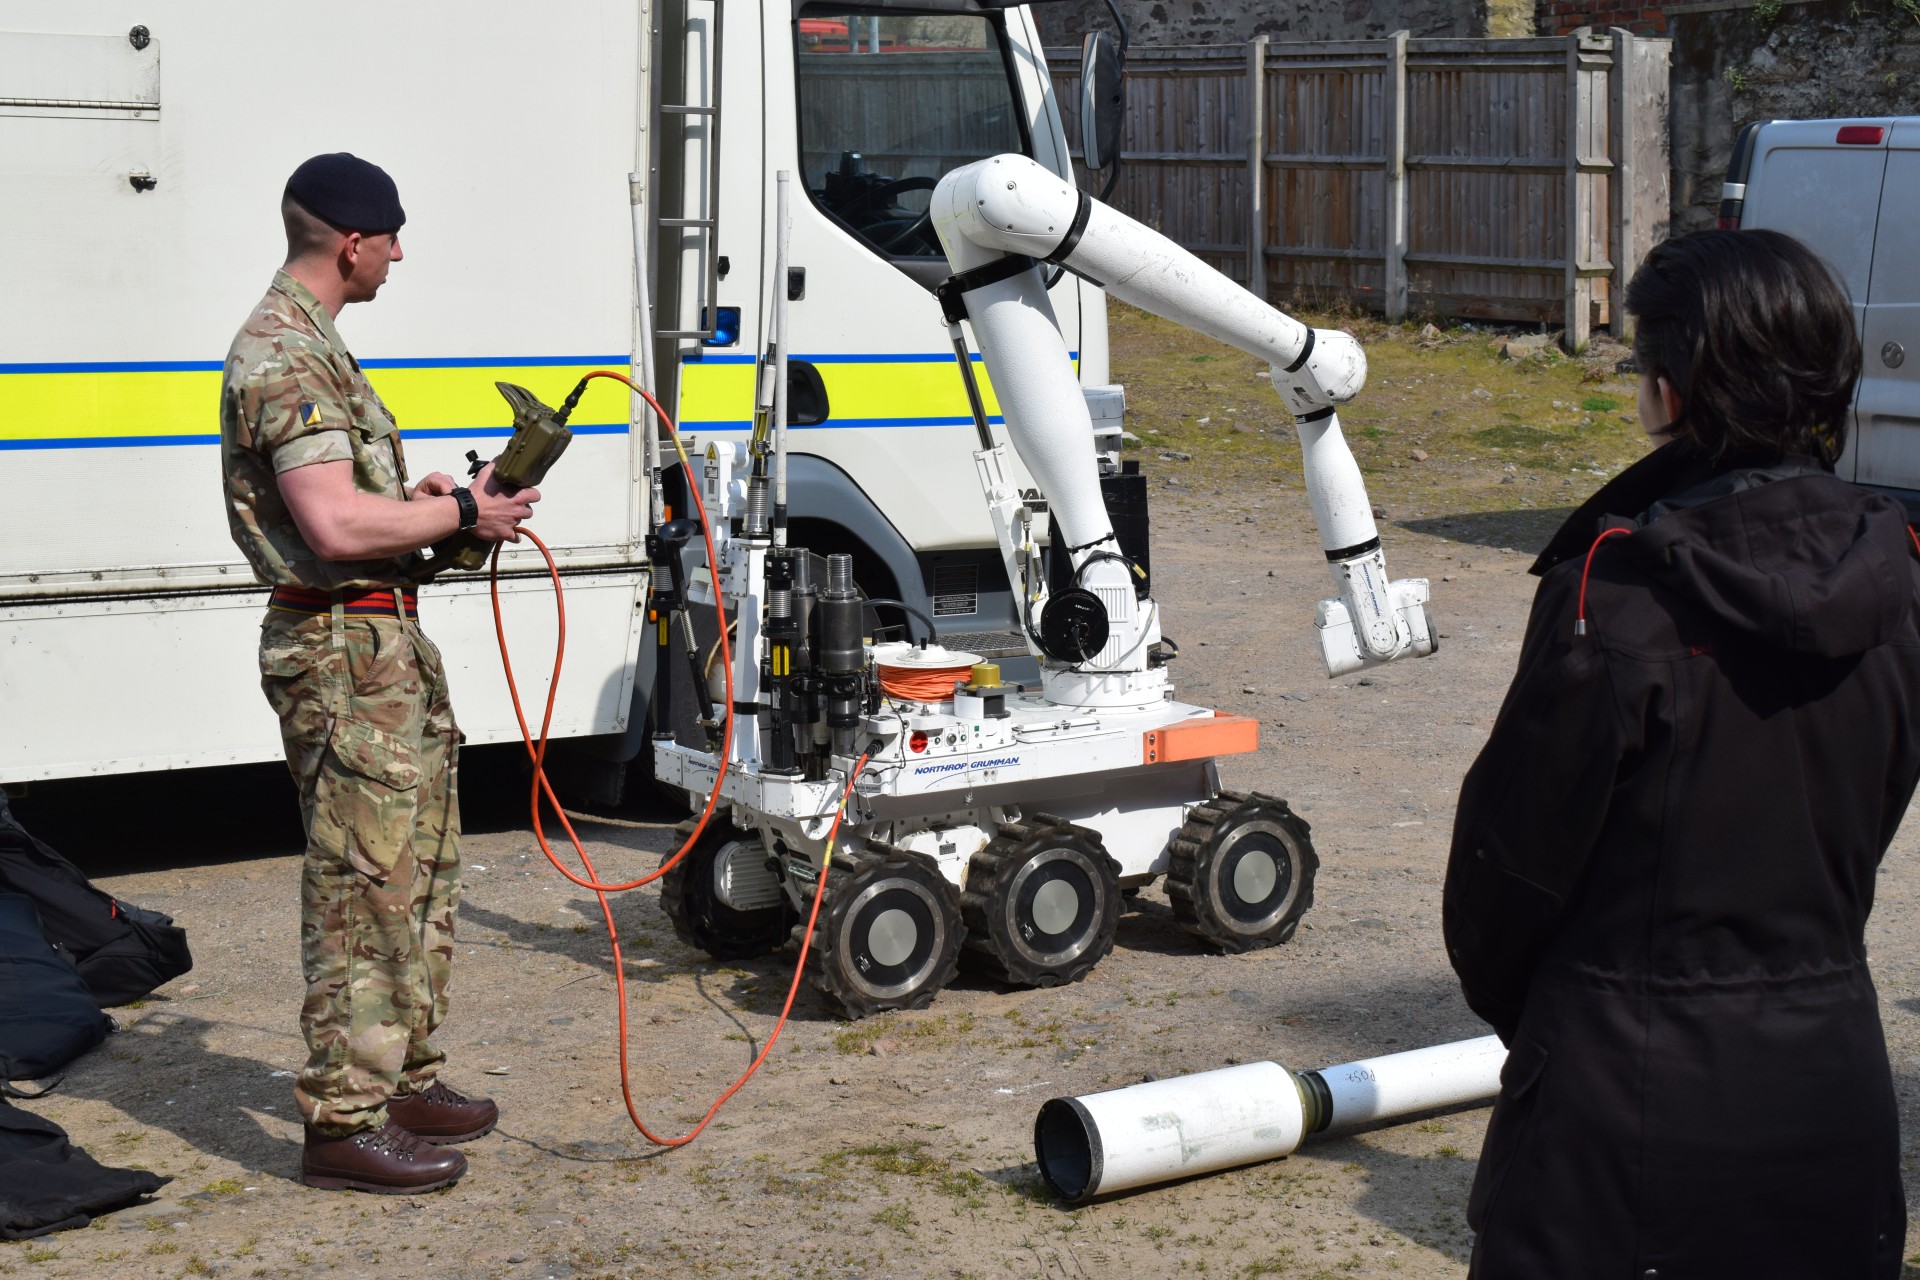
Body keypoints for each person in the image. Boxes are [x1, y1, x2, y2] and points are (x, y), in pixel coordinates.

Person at [1443, 229, 1919, 1277]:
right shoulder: (1898, 579)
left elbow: (1501, 880)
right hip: (1826, 1081)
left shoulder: (1615, 597)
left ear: (1670, 389)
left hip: (1618, 1116)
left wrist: (1580, 1012)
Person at [220, 153, 540, 1194]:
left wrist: (435, 500)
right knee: (365, 888)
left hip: (383, 648)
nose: (401, 252)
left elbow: (361, 507)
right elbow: (332, 522)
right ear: (351, 243)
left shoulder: (319, 350)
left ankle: (401, 1071)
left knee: (420, 872)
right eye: (391, 236)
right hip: (343, 657)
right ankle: (343, 1123)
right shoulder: (284, 355)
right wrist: (455, 514)